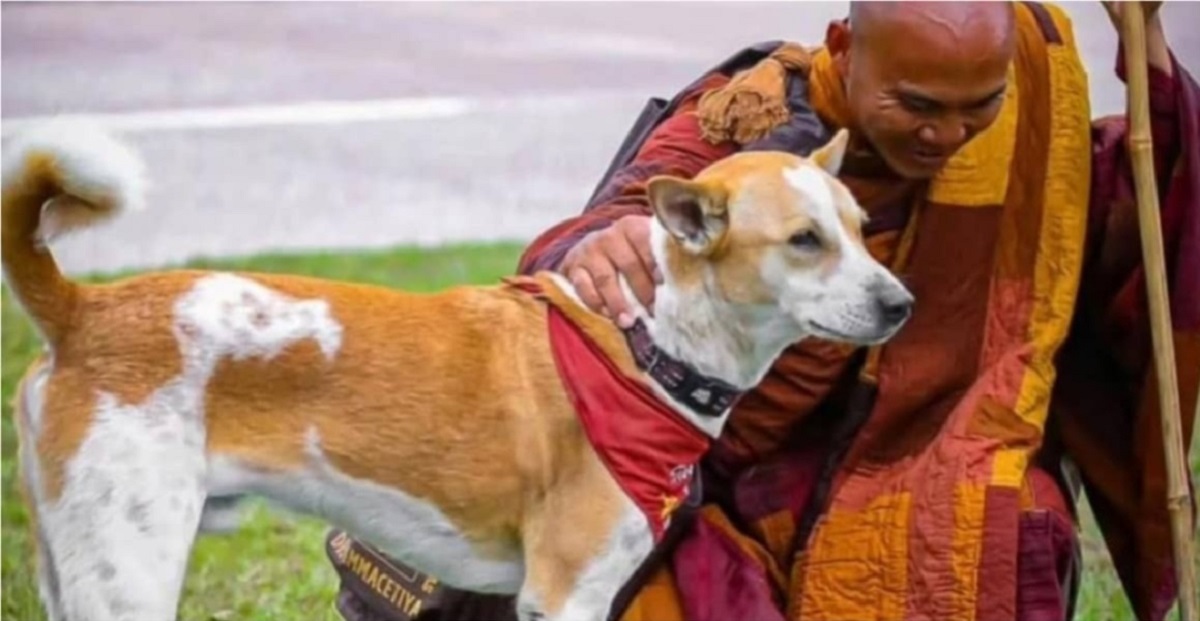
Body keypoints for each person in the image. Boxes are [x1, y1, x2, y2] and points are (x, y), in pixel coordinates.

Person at [326, 2, 1199, 619]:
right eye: (917, 106)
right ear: (847, 52)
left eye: (983, 105)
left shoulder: (1027, 130)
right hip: (721, 473)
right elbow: (609, 224)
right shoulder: (753, 116)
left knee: (1000, 536)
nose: (948, 135)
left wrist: (1147, 43)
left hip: (928, 444)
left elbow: (1129, 223)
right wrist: (593, 249)